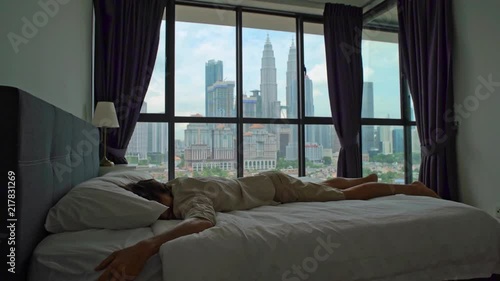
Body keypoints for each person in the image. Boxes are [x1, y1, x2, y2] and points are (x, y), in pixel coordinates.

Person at [95, 171, 439, 281]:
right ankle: (359, 178)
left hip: (274, 188)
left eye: (160, 208)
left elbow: (202, 222)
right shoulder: (179, 182)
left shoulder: (188, 199)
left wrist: (147, 245)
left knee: (340, 199)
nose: (162, 214)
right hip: (267, 183)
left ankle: (408, 188)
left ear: (161, 194)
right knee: (318, 188)